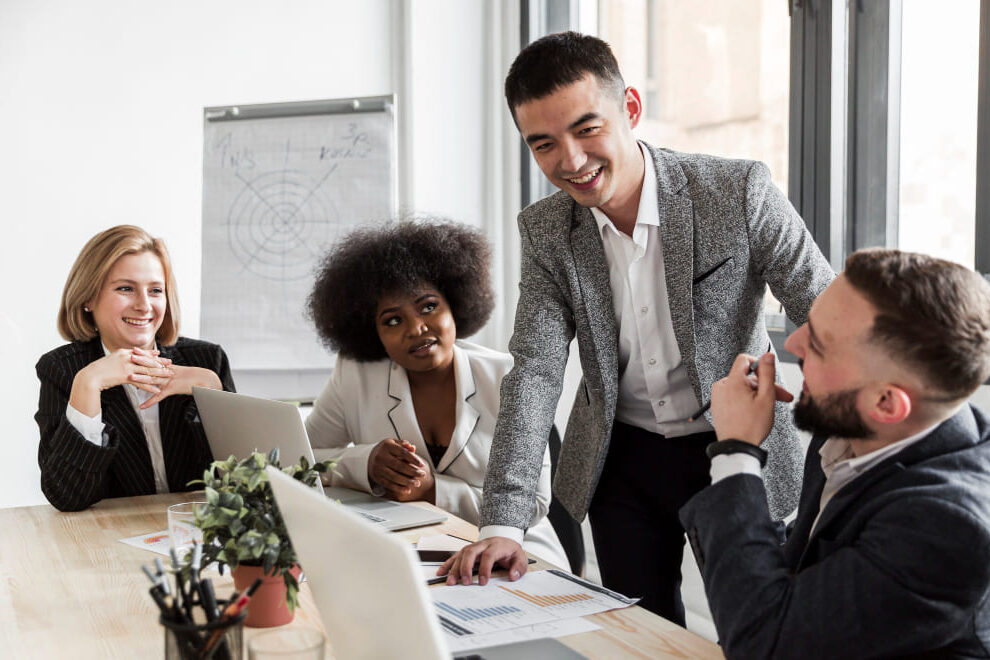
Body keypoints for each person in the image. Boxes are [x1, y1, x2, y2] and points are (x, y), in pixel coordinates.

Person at [440, 31, 834, 622]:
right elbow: (537, 370)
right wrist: (503, 522)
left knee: (758, 628)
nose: (569, 161)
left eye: (586, 129)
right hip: (620, 460)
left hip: (732, 447)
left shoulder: (736, 192)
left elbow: (827, 312)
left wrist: (861, 443)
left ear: (629, 107)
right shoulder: (546, 231)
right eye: (543, 144)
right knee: (643, 636)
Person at [680, 248, 990, 658]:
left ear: (886, 404)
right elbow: (797, 570)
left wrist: (736, 452)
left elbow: (764, 646)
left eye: (820, 345)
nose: (792, 342)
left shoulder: (949, 527)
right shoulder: (850, 433)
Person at [304, 220, 567, 567]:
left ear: (454, 303)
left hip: (511, 553)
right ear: (372, 333)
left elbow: (532, 503)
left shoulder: (510, 377)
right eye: (393, 321)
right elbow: (300, 460)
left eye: (428, 306)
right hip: (407, 552)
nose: (417, 328)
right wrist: (365, 464)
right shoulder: (356, 375)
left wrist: (432, 490)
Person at [36, 225, 235, 512]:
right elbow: (68, 496)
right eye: (126, 289)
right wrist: (88, 384)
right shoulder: (63, 370)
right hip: (109, 542)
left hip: (196, 537)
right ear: (88, 297)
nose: (144, 305)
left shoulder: (207, 361)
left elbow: (241, 484)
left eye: (155, 290)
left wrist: (211, 390)